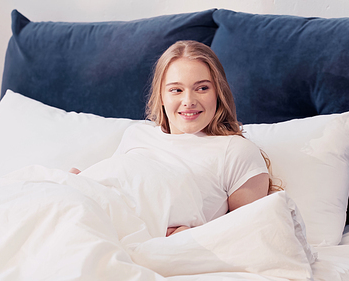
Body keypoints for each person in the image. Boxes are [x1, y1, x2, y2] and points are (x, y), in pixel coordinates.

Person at [71, 40, 280, 237]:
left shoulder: (236, 152)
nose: (188, 101)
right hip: (95, 225)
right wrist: (80, 182)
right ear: (161, 96)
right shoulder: (137, 134)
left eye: (202, 88)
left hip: (153, 246)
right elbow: (118, 187)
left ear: (218, 92)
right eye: (176, 90)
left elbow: (250, 235)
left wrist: (188, 237)